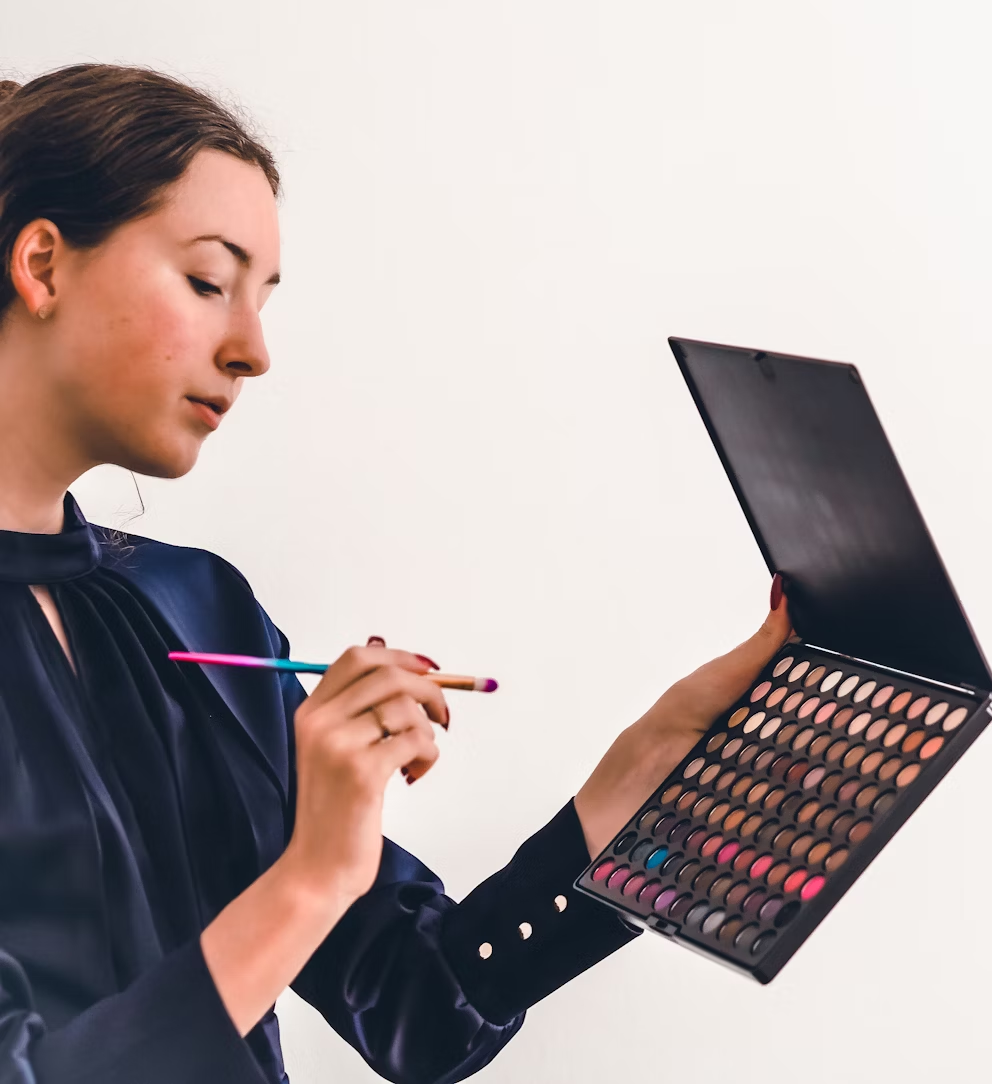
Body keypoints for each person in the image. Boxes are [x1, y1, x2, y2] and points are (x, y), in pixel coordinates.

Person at [0, 65, 793, 1084]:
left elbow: (428, 1008)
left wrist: (654, 771)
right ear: (42, 263)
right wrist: (312, 876)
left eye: (264, 298)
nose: (253, 350)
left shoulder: (196, 608)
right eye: (207, 281)